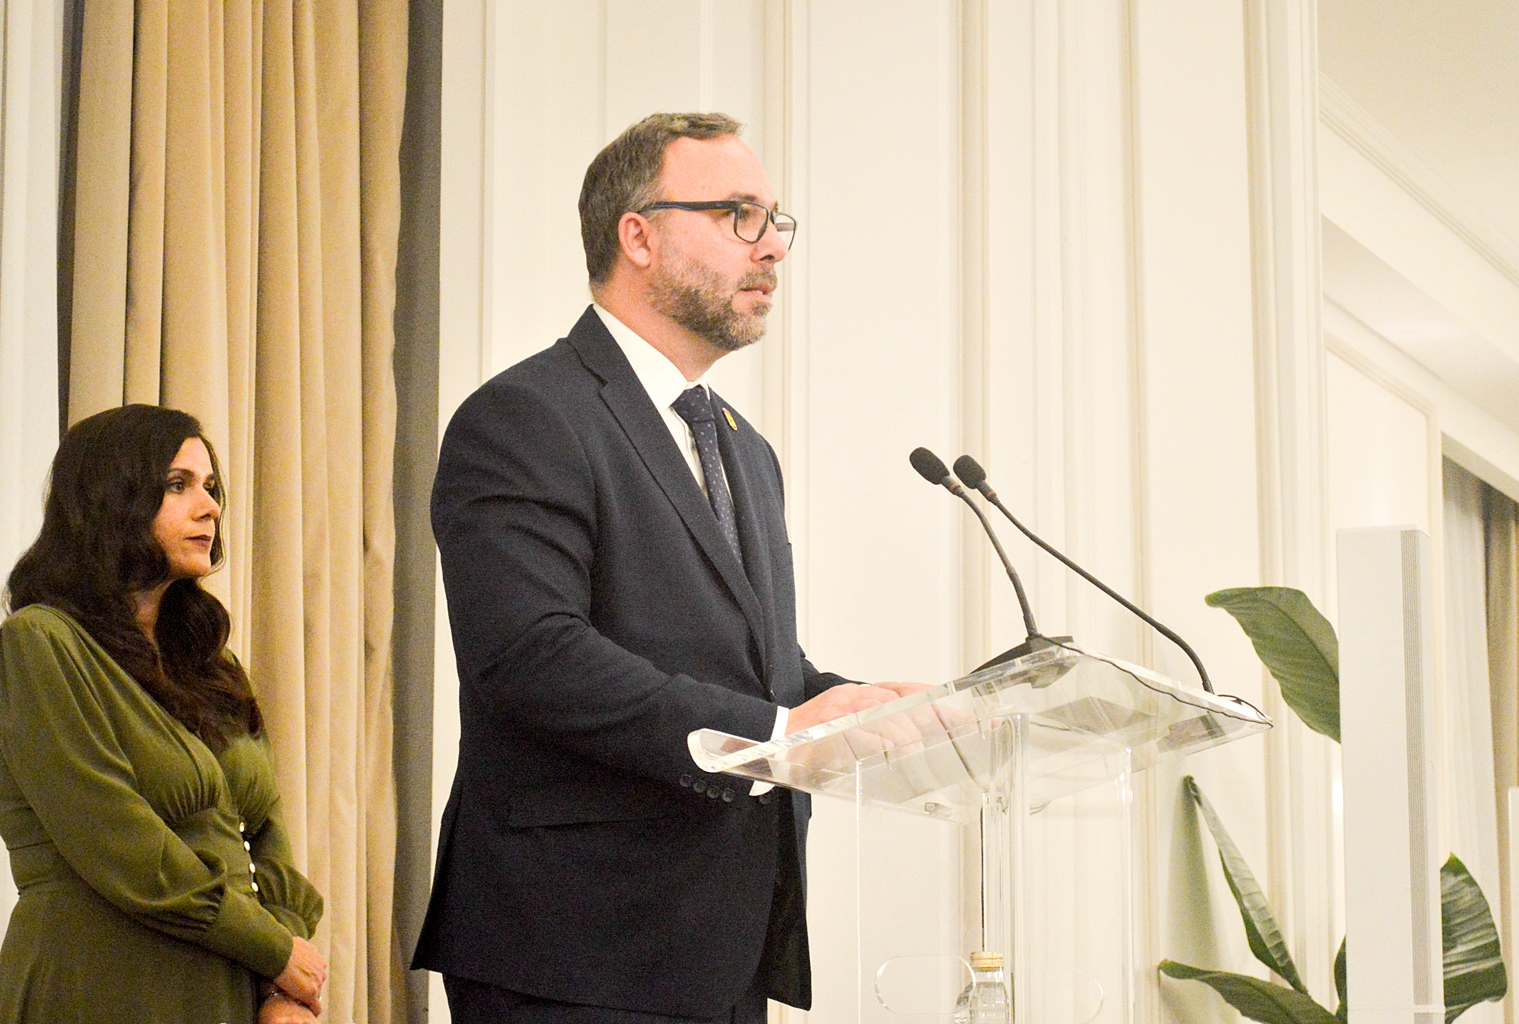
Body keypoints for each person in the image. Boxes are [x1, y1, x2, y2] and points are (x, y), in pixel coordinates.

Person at [412, 112, 913, 1023]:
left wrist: (867, 709)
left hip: (722, 944)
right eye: (736, 215)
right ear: (635, 235)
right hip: (576, 946)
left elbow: (752, 668)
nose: (770, 248)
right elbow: (532, 657)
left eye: (773, 220)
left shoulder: (742, 449)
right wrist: (776, 727)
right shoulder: (525, 415)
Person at [0, 404, 328, 1024]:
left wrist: (281, 988)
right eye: (178, 486)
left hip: (227, 985)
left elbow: (269, 827)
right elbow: (121, 845)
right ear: (108, 499)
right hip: (99, 982)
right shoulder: (38, 643)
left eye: (211, 488)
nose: (208, 506)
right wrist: (274, 949)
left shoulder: (210, 659)